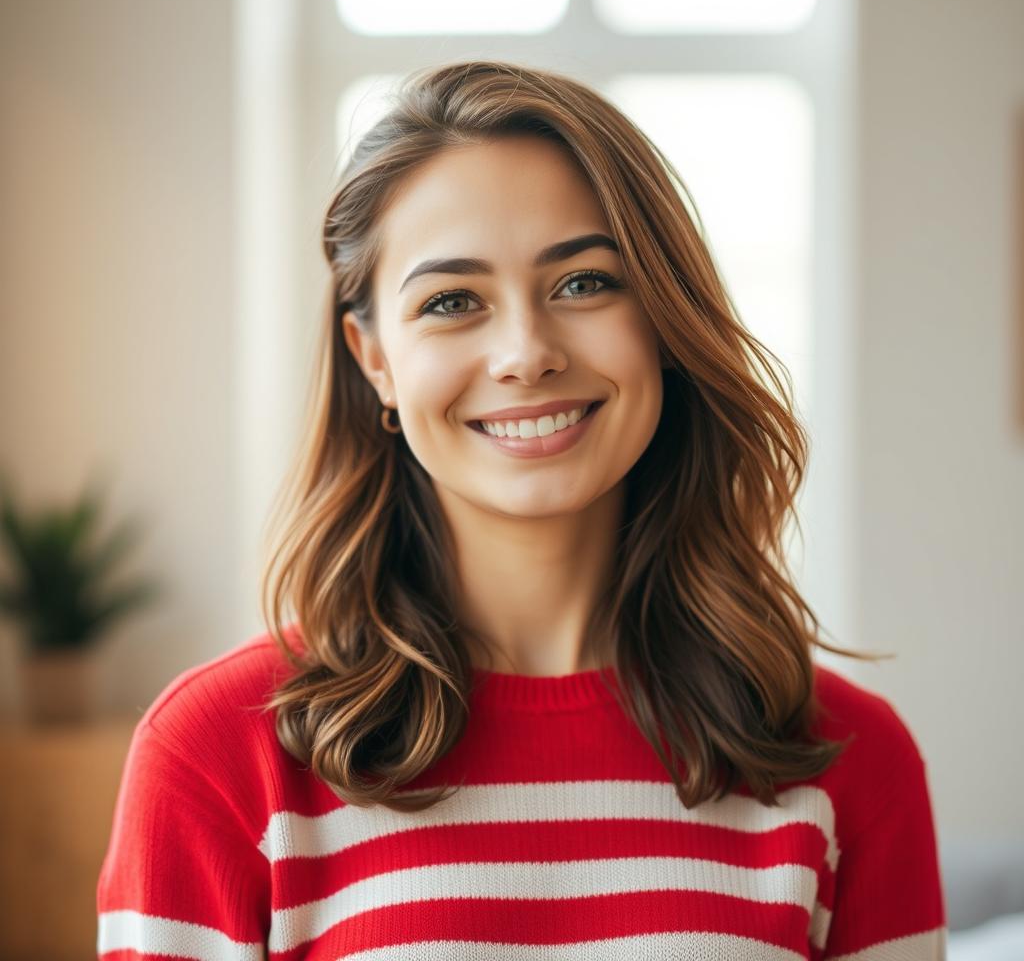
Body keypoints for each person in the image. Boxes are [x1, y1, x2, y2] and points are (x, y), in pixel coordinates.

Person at [96, 60, 947, 960]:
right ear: (373, 357)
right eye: (452, 302)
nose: (525, 353)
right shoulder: (216, 759)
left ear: (663, 318)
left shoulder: (850, 761)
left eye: (584, 283)